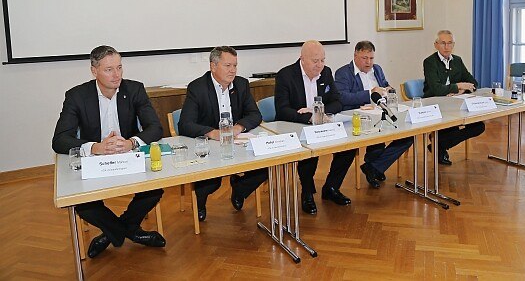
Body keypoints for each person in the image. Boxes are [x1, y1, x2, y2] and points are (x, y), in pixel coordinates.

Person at [52, 46, 166, 258]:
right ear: (94, 71)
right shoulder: (77, 96)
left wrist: (132, 142)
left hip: (128, 155)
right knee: (83, 203)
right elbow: (59, 140)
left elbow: (155, 128)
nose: (117, 75)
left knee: (155, 188)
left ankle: (112, 233)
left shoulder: (134, 89)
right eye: (109, 69)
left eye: (120, 67)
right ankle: (130, 231)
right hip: (96, 158)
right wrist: (95, 147)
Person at [179, 46, 265, 221]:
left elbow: (255, 115)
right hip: (210, 146)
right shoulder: (197, 87)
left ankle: (240, 189)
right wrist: (212, 133)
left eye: (235, 65)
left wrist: (238, 127)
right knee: (211, 180)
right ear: (213, 66)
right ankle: (201, 202)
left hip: (237, 142)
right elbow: (185, 125)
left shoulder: (241, 84)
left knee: (266, 165)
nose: (232, 70)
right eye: (227, 65)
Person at [274, 40, 356, 214]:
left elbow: (337, 101)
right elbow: (282, 110)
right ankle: (307, 193)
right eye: (315, 61)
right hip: (295, 126)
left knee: (348, 148)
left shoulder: (326, 73)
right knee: (309, 154)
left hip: (321, 123)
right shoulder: (285, 75)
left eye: (322, 60)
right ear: (302, 59)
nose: (319, 65)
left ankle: (331, 188)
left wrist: (320, 112)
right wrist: (309, 117)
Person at [335, 41, 413, 188]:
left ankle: (374, 167)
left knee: (408, 136)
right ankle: (375, 167)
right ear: (355, 56)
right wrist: (370, 94)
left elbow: (386, 85)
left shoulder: (377, 69)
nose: (369, 62)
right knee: (376, 137)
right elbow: (342, 97)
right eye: (364, 58)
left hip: (381, 114)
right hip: (358, 116)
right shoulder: (343, 72)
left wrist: (389, 90)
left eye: (371, 58)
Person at [422, 30, 485, 165]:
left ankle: (438, 146)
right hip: (434, 104)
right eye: (443, 43)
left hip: (454, 104)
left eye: (450, 43)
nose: (446, 47)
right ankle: (439, 147)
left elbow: (474, 83)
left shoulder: (457, 60)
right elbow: (437, 89)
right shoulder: (429, 62)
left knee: (479, 126)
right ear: (436, 45)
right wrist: (459, 85)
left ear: (453, 45)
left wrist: (458, 92)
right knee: (450, 126)